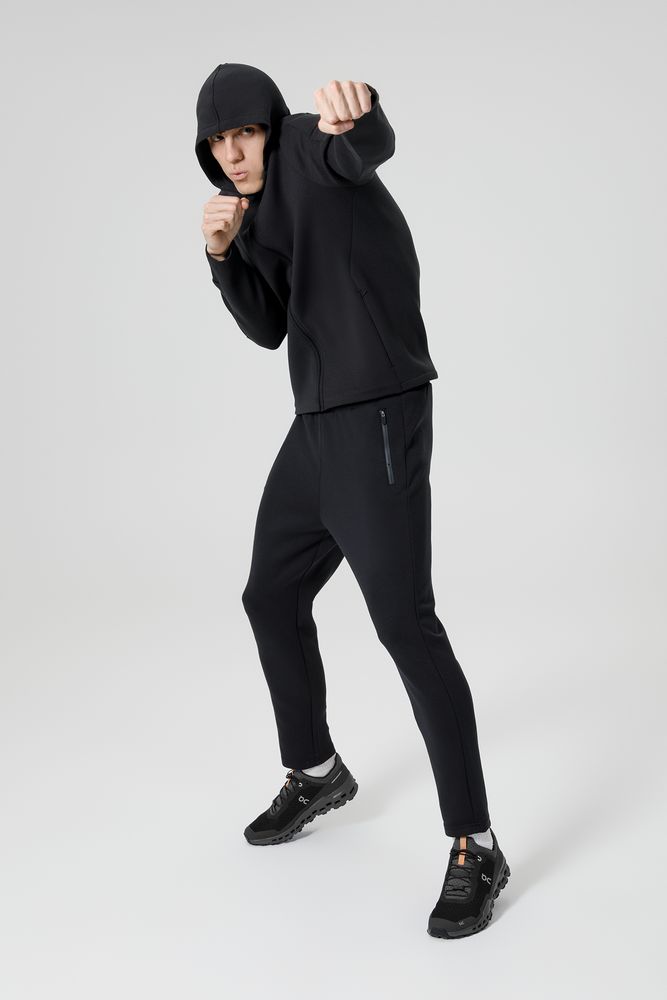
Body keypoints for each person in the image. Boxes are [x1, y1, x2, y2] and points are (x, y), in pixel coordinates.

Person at [195, 62, 510, 938]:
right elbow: (267, 327)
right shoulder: (248, 206)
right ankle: (316, 771)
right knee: (270, 594)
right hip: (315, 429)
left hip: (378, 415)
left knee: (405, 625)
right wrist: (221, 257)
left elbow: (362, 148)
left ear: (270, 125)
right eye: (217, 143)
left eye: (243, 132)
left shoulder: (307, 146)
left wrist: (361, 114)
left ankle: (477, 843)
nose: (234, 153)